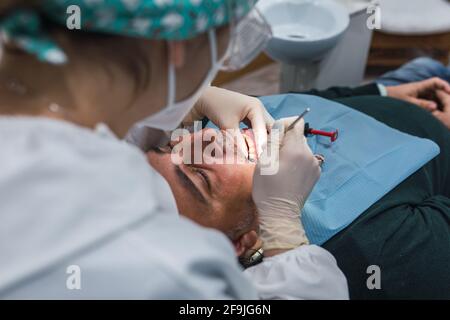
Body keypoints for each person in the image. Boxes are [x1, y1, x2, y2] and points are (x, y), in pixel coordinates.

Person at [0, 0, 346, 299]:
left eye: (249, 151)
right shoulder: (171, 272)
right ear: (178, 44)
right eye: (226, 44)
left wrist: (161, 115)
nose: (216, 139)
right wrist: (284, 230)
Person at [147, 71, 450, 299]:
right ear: (243, 242)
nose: (203, 138)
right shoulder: (374, 250)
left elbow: (301, 102)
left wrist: (381, 91)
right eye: (200, 176)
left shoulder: (210, 120)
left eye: (169, 144)